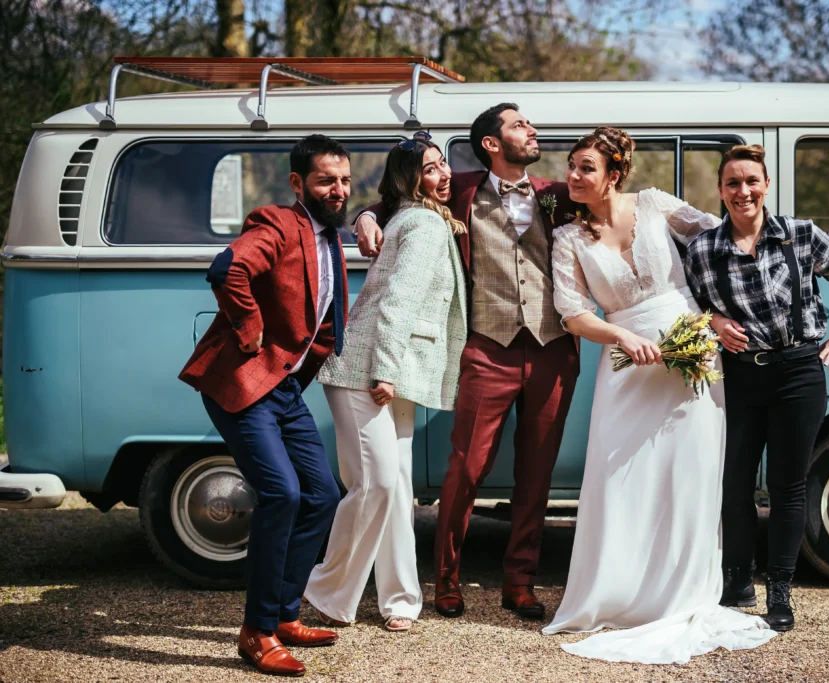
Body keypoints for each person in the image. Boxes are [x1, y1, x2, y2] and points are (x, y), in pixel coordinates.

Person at [541, 127, 777, 665]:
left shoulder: (654, 205)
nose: (572, 177)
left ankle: (685, 593)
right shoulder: (568, 238)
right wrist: (621, 334)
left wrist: (715, 314)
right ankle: (619, 594)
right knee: (622, 478)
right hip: (626, 365)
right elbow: (573, 312)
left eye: (585, 168)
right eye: (572, 167)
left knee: (687, 474)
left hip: (692, 349)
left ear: (614, 174)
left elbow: (723, 237)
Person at [354, 103, 577, 620]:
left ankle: (519, 581)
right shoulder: (461, 186)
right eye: (521, 124)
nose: (533, 128)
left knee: (537, 473)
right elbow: (397, 199)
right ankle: (446, 579)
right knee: (465, 468)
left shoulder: (558, 195)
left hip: (552, 349)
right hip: (485, 348)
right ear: (492, 143)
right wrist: (365, 216)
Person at [178, 134, 350, 677]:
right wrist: (248, 328)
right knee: (283, 492)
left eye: (344, 180)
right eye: (326, 180)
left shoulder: (330, 236)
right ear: (299, 183)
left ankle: (284, 614)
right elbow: (228, 268)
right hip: (242, 384)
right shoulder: (278, 223)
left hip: (283, 390)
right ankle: (256, 632)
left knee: (322, 495)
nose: (338, 189)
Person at [684, 144, 829, 633]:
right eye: (731, 183)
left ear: (766, 185)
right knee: (735, 484)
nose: (742, 191)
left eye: (751, 181)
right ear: (720, 190)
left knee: (787, 487)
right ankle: (737, 582)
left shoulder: (800, 235)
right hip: (739, 376)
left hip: (798, 373)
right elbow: (686, 307)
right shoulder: (703, 249)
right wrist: (714, 320)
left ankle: (780, 590)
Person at [303, 133, 468, 633]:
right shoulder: (421, 223)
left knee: (396, 488)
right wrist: (387, 370)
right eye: (434, 169)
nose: (445, 176)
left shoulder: (421, 219)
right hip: (368, 371)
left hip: (389, 370)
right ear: (411, 179)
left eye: (444, 167)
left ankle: (400, 599)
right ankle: (320, 586)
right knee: (374, 484)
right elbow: (398, 301)